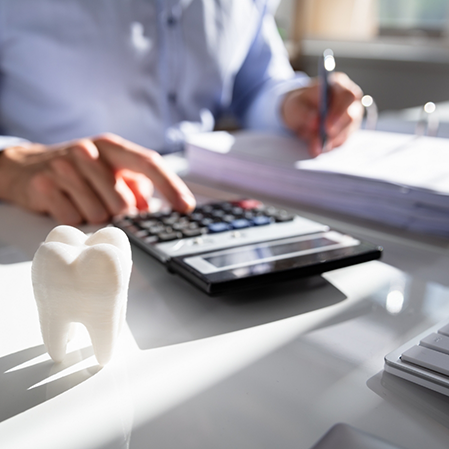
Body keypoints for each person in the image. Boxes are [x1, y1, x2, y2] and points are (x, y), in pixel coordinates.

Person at [0, 0, 363, 225]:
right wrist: (9, 166)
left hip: (209, 204)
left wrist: (291, 104)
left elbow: (255, 85)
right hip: (56, 216)